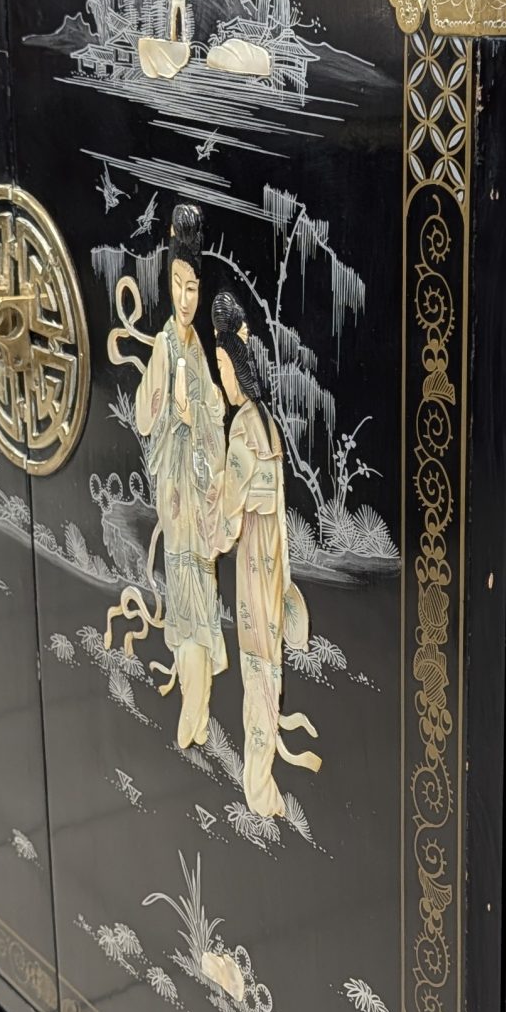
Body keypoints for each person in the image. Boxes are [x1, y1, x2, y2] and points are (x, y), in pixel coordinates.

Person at [212, 291, 318, 817]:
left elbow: (227, 519)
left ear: (236, 367)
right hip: (272, 560)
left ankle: (257, 789)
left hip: (254, 562)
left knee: (256, 668)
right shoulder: (266, 424)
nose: (222, 380)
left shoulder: (241, 430)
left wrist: (205, 537)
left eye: (223, 369)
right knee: (267, 667)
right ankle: (265, 778)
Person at [133, 203, 226, 748]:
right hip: (177, 495)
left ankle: (199, 705)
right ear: (167, 284)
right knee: (187, 597)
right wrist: (169, 402)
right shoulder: (167, 345)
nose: (185, 299)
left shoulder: (198, 348)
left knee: (202, 592)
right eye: (177, 286)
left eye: (193, 288)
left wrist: (200, 418)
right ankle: (192, 705)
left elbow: (215, 408)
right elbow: (145, 417)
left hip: (200, 497)